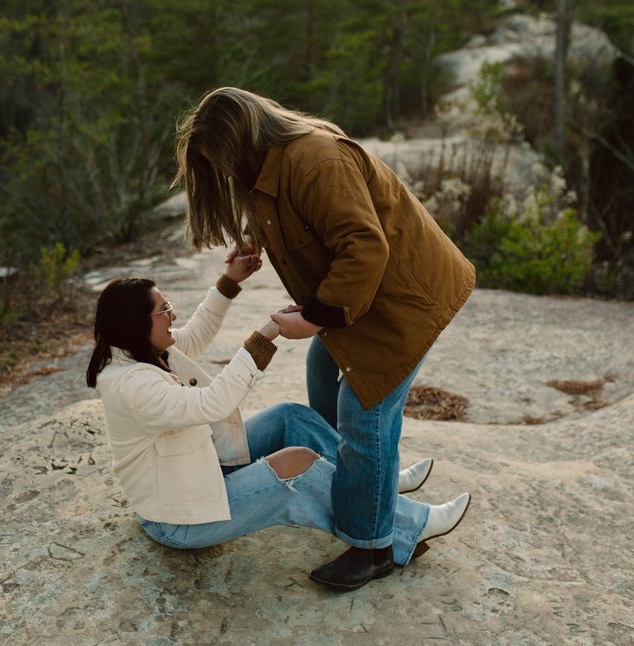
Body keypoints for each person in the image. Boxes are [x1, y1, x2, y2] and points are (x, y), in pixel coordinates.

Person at [174, 87, 477, 590]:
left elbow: (364, 248)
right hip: (368, 297)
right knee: (322, 365)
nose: (226, 175)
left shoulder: (314, 159)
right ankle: (366, 484)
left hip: (405, 297)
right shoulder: (270, 168)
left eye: (225, 162)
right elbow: (304, 225)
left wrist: (315, 316)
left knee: (366, 411)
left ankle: (372, 546)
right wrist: (254, 245)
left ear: (245, 140)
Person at [85, 264, 471, 590]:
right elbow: (213, 402)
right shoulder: (131, 384)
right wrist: (264, 337)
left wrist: (230, 280)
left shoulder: (145, 350)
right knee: (296, 464)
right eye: (164, 309)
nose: (172, 316)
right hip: (179, 518)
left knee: (290, 416)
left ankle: (373, 481)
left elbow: (196, 333)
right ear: (137, 324)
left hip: (197, 470)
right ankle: (410, 524)